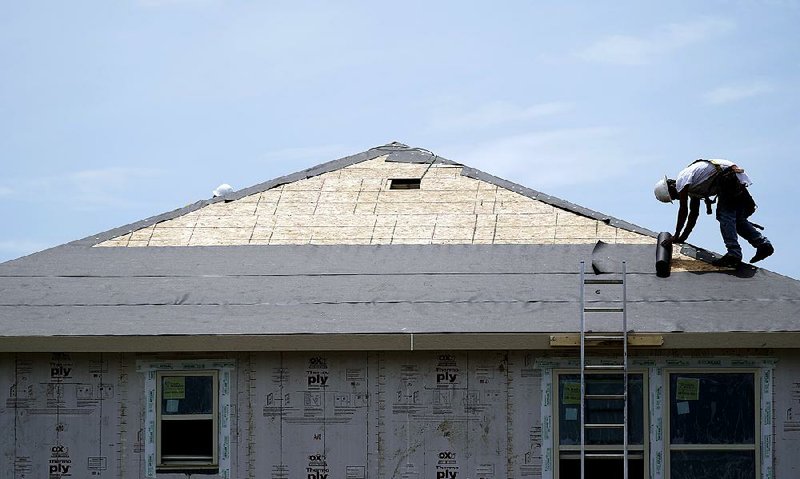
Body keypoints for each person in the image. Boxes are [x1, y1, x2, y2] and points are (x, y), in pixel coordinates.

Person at [654, 159, 774, 267]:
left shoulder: (682, 180)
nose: (677, 198)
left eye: (674, 196)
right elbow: (693, 214)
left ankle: (734, 255)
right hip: (731, 179)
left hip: (728, 177)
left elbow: (683, 210)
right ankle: (763, 245)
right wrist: (682, 237)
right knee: (737, 220)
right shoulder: (693, 188)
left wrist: (676, 235)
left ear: (671, 186)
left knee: (725, 215)